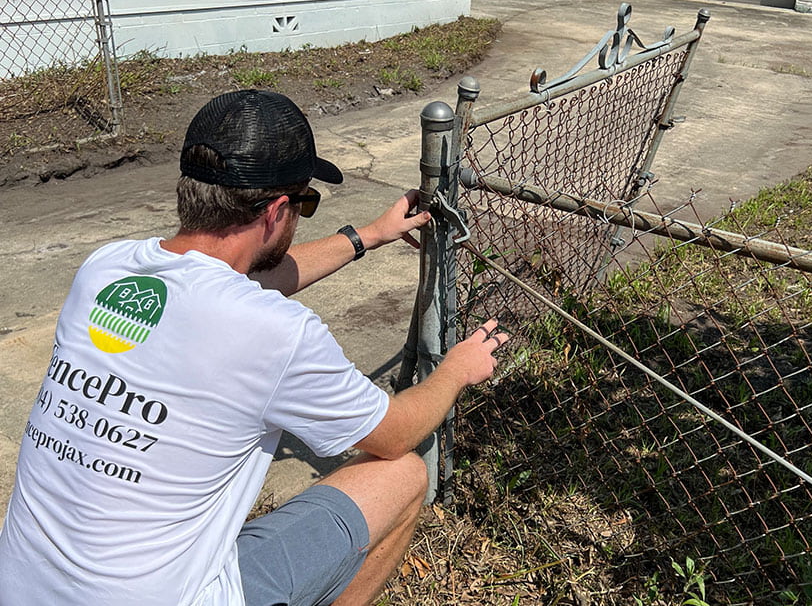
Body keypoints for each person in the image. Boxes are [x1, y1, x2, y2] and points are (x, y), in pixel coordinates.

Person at [0, 89, 508, 606]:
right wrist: (457, 370)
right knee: (402, 474)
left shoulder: (104, 269)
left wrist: (368, 236)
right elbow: (394, 435)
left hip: (21, 588)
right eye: (304, 205)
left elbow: (237, 284)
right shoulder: (278, 333)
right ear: (277, 211)